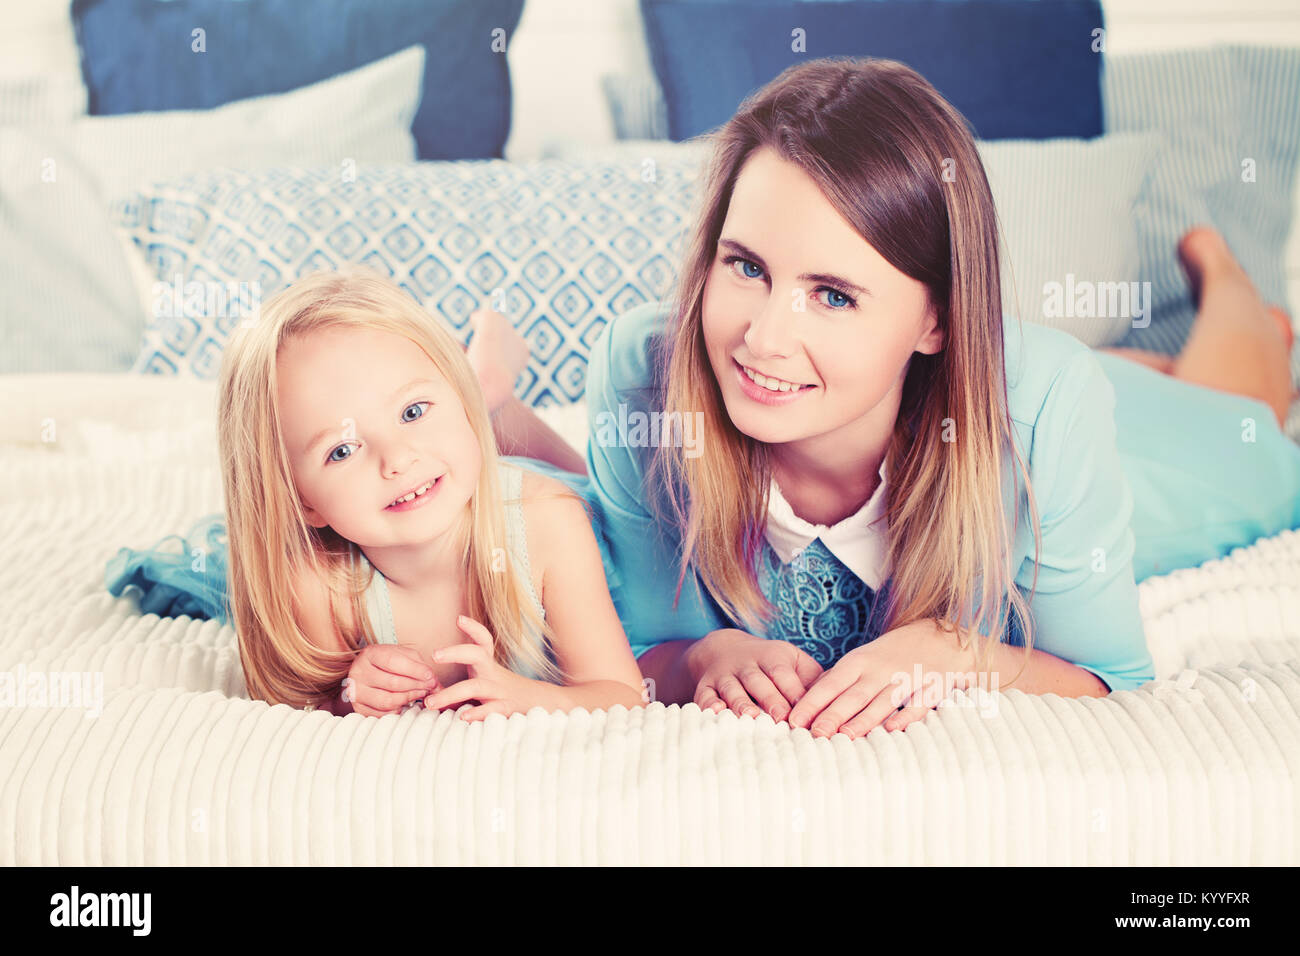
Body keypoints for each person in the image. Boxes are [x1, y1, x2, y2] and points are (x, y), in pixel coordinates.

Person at [515, 57, 1300, 739]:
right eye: (747, 267)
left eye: (832, 295)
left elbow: (1112, 681)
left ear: (937, 320)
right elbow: (644, 645)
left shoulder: (1050, 407)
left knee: (1250, 425)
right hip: (1003, 379)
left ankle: (1232, 292)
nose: (762, 339)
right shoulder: (644, 377)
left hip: (1091, 433)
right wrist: (702, 658)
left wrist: (954, 653)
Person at [215, 269, 643, 719]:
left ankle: (489, 373)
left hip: (543, 505)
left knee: (584, 484)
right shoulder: (317, 582)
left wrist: (531, 699)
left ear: (455, 396)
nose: (396, 459)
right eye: (341, 450)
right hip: (445, 479)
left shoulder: (549, 523)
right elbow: (295, 706)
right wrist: (348, 694)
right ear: (300, 500)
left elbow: (623, 693)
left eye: (413, 411)